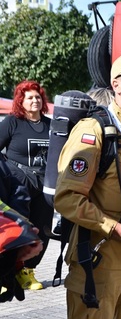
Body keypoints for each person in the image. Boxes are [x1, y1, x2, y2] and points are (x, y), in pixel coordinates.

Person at [54, 52, 121, 319]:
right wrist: (114, 228)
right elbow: (67, 197)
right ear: (116, 84)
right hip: (99, 260)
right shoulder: (94, 130)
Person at [0, 80, 52, 290]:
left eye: (38, 97)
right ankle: (6, 273)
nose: (35, 101)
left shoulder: (50, 125)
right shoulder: (12, 122)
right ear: (21, 101)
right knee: (17, 229)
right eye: (30, 97)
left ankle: (28, 272)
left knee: (43, 229)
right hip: (18, 187)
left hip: (45, 186)